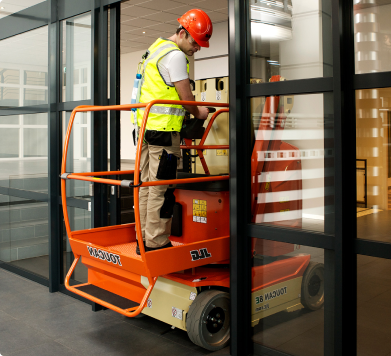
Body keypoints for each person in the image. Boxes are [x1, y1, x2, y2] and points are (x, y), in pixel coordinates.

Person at [134, 9, 213, 254]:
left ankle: (143, 239)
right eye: (195, 42)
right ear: (182, 33)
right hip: (164, 133)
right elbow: (185, 97)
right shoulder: (176, 56)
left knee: (146, 186)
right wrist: (199, 112)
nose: (197, 48)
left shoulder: (154, 49)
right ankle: (156, 243)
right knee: (162, 189)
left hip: (144, 129)